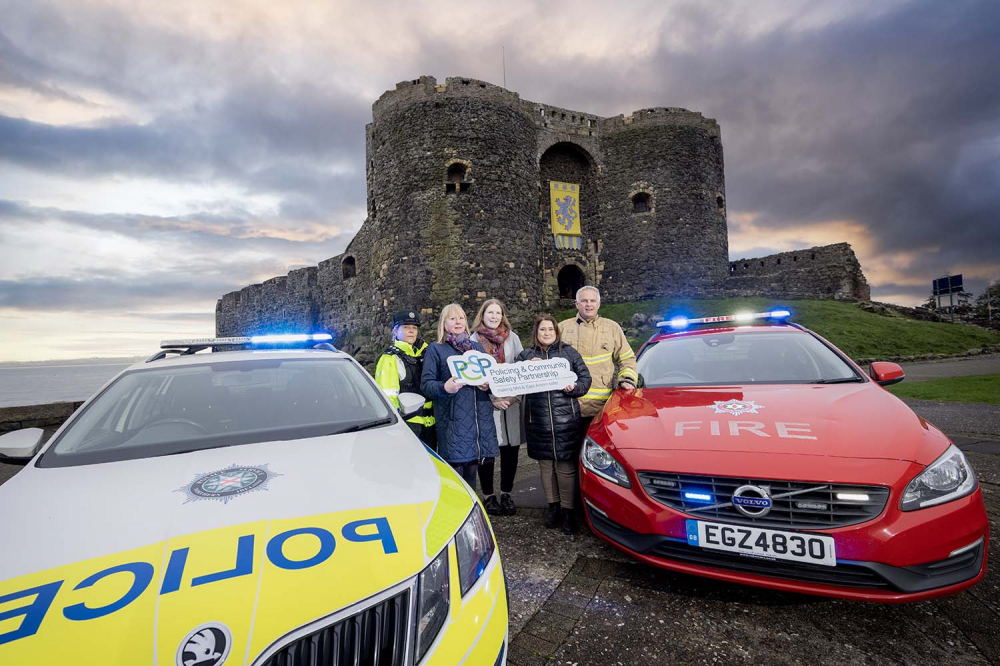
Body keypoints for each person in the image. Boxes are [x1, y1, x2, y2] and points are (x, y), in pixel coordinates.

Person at [515, 314, 591, 534]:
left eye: (550, 329)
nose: (546, 333)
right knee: (546, 467)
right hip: (538, 420)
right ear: (536, 333)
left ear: (556, 332)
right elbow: (513, 382)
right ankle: (553, 507)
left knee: (566, 467)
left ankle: (568, 512)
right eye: (542, 330)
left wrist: (573, 388)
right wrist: (527, 368)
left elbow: (585, 380)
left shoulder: (568, 352)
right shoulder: (526, 355)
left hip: (565, 420)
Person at [421, 303, 499, 490]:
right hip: (454, 420)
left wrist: (488, 385)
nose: (458, 322)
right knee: (456, 475)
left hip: (479, 420)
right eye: (452, 318)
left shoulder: (476, 348)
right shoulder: (436, 349)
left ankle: (473, 513)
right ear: (444, 323)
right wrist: (445, 387)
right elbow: (426, 385)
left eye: (461, 318)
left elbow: (492, 379)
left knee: (473, 471)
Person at [559, 286, 637, 437]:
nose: (589, 304)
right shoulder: (562, 328)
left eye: (592, 301)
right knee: (570, 456)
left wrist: (627, 379)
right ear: (577, 304)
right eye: (584, 301)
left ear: (599, 304)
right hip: (568, 406)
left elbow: (627, 358)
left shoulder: (612, 328)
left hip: (601, 407)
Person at [470, 298, 525, 516]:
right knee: (488, 451)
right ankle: (489, 496)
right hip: (486, 403)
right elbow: (472, 374)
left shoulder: (512, 338)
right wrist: (492, 398)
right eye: (490, 312)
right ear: (482, 315)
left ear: (503, 316)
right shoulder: (473, 341)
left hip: (511, 402)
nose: (494, 317)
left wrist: (513, 397)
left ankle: (506, 493)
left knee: (511, 449)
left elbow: (521, 369)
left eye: (498, 313)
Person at [374, 309, 436, 449]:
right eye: (406, 327)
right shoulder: (390, 358)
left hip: (430, 424)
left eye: (414, 328)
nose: (411, 331)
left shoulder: (427, 353)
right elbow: (388, 395)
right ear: (395, 331)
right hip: (408, 424)